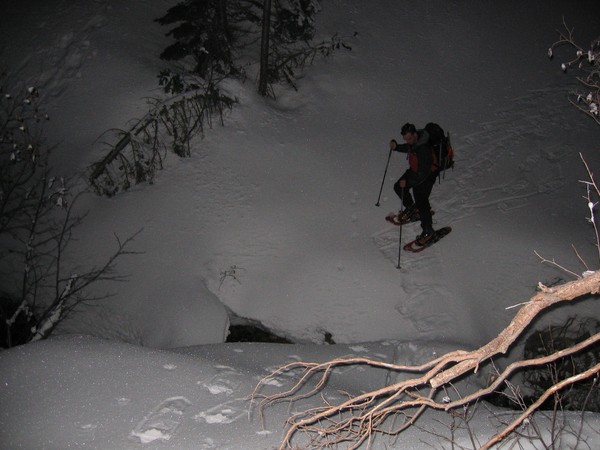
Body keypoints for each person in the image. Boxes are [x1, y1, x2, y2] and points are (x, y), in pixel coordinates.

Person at [389, 123, 438, 245]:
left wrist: (408, 182)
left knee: (421, 200)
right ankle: (412, 209)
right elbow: (408, 147)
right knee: (397, 187)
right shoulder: (414, 142)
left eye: (409, 139)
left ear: (415, 134)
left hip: (427, 175)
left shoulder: (423, 148)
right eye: (406, 139)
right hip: (416, 171)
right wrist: (396, 147)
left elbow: (423, 174)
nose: (408, 142)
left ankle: (428, 231)